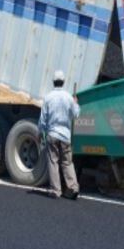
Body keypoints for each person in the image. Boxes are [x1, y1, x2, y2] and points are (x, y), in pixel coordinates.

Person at [38, 69, 80, 200]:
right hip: (65, 134)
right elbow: (75, 115)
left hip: (52, 134)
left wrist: (41, 132)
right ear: (63, 82)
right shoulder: (68, 97)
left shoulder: (48, 97)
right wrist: (76, 103)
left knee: (53, 162)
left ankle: (56, 191)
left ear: (53, 82)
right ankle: (73, 187)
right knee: (67, 162)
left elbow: (43, 118)